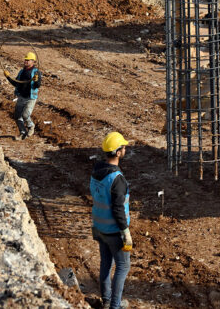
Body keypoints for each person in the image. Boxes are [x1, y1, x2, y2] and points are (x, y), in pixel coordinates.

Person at [91, 131, 132, 309]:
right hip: (114, 231)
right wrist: (125, 232)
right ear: (117, 152)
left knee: (106, 264)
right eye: (123, 147)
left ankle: (106, 301)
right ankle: (115, 306)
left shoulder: (96, 171)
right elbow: (118, 209)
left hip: (99, 227)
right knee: (123, 267)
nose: (125, 149)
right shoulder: (117, 179)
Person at [4, 52, 41, 140]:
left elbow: (37, 85)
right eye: (25, 60)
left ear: (33, 61)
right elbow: (16, 83)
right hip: (21, 97)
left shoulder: (36, 72)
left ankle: (31, 126)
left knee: (25, 115)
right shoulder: (22, 72)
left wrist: (36, 80)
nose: (26, 61)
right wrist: (8, 77)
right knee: (17, 116)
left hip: (30, 98)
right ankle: (22, 133)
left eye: (28, 60)